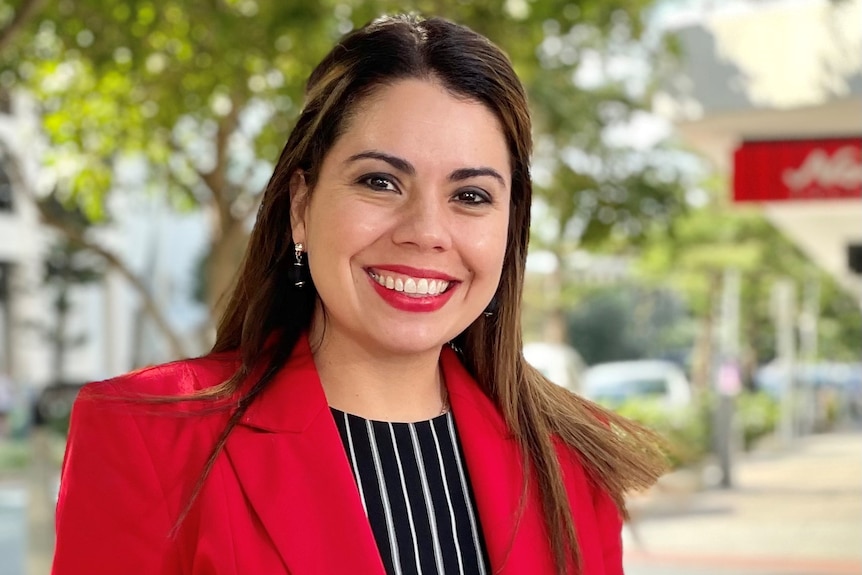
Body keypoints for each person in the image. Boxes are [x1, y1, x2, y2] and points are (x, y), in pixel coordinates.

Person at [51, 14, 666, 575]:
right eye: (380, 182)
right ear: (301, 207)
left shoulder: (573, 465)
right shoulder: (149, 435)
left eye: (471, 195)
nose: (426, 232)